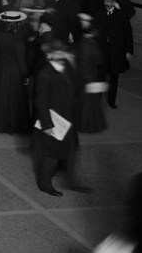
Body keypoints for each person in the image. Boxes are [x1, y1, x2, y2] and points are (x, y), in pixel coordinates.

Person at [33, 39, 87, 197]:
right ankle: (45, 184)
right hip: (54, 120)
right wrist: (47, 124)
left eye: (62, 51)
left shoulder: (67, 66)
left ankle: (72, 182)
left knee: (71, 150)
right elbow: (40, 101)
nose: (62, 54)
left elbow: (76, 86)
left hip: (68, 118)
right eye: (58, 52)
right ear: (50, 55)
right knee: (52, 155)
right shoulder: (45, 73)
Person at [0, 11, 31, 133]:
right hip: (14, 72)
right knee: (14, 99)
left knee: (2, 97)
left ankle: (0, 124)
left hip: (1, 70)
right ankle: (13, 125)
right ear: (16, 24)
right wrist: (25, 76)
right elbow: (21, 61)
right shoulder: (17, 41)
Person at [95, 0, 134, 109]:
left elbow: (128, 34)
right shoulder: (99, 14)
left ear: (113, 2)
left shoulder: (121, 16)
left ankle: (112, 100)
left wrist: (129, 51)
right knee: (100, 76)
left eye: (108, 1)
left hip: (116, 52)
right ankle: (96, 100)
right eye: (104, 1)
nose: (106, 4)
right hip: (103, 51)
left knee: (114, 76)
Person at [74, 14, 106, 133]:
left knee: (83, 102)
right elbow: (98, 60)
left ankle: (82, 124)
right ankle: (89, 125)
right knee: (89, 103)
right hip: (89, 76)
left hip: (81, 76)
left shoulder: (82, 41)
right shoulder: (91, 44)